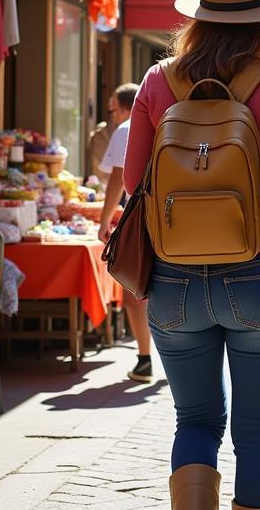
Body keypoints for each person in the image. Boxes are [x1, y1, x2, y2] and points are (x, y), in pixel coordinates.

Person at [122, 0, 260, 510]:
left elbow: (133, 181)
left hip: (173, 278)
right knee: (259, 433)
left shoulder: (156, 81)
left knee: (194, 421)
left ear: (200, 17)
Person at [96, 82, 153, 383]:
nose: (112, 114)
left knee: (135, 288)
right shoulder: (166, 119)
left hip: (141, 218)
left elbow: (118, 177)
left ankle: (145, 359)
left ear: (126, 106)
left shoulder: (127, 129)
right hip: (173, 217)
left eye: (113, 108)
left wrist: (104, 221)